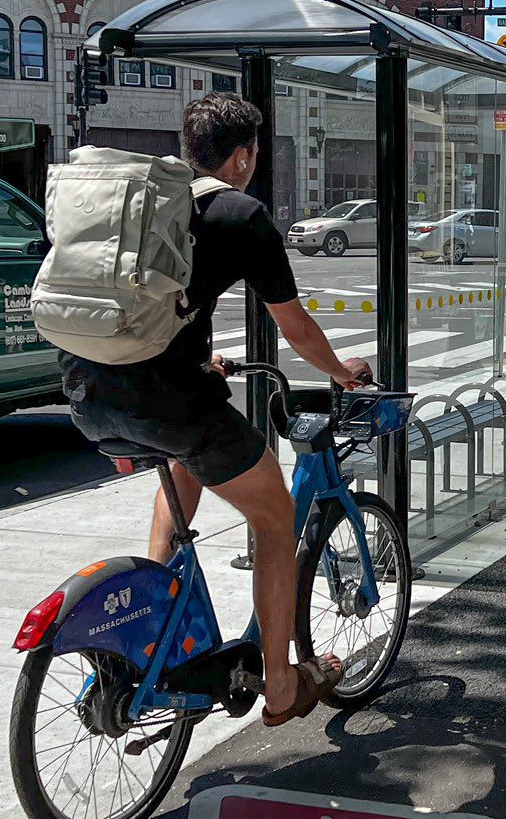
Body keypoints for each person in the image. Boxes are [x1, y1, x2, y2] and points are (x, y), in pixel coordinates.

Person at [60, 94, 371, 728]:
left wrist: (203, 362)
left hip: (86, 390)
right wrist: (342, 372)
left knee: (186, 470)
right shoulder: (240, 214)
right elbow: (296, 326)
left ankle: (159, 642)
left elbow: (157, 304)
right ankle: (282, 685)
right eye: (253, 153)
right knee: (276, 516)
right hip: (166, 401)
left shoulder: (151, 207)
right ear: (243, 155)